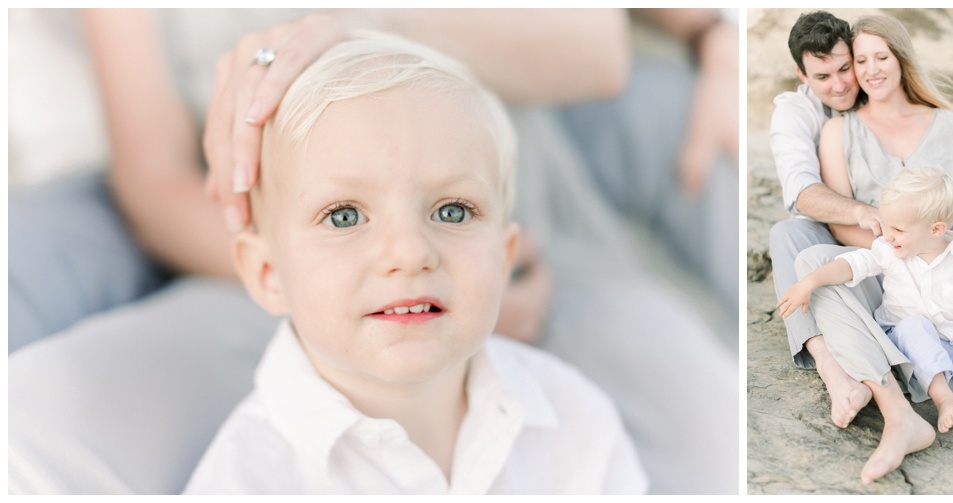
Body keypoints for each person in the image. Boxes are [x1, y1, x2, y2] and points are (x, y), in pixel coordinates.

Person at [9, 9, 735, 494]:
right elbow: (155, 178)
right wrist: (315, 274)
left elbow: (597, 53)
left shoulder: (579, 420)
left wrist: (354, 30)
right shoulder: (252, 458)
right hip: (273, 261)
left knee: (717, 446)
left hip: (535, 233)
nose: (406, 252)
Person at [182, 34, 645, 494]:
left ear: (503, 260)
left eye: (453, 211)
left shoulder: (575, 422)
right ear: (268, 275)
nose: (410, 252)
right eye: (344, 216)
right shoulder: (247, 479)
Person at [767, 10, 953, 485]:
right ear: (807, 76)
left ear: (900, 57)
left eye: (876, 57)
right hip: (886, 263)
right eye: (859, 60)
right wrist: (894, 246)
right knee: (810, 260)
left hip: (950, 254)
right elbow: (829, 208)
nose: (866, 71)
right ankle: (887, 405)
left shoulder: (943, 123)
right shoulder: (833, 129)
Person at [780, 165, 953, 436]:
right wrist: (810, 281)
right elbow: (852, 265)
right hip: (907, 346)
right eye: (885, 224)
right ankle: (944, 400)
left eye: (897, 228)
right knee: (914, 326)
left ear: (936, 229)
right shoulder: (889, 250)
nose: (887, 234)